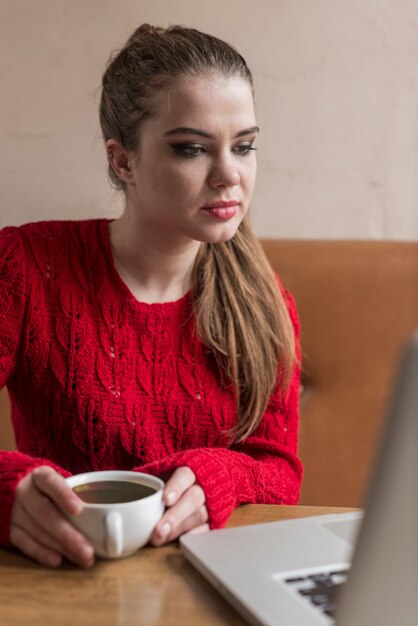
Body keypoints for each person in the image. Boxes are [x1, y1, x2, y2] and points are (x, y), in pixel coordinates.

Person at [0, 24, 303, 569]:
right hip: (60, 582)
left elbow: (279, 470)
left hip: (208, 584)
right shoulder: (25, 266)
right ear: (122, 162)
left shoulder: (265, 301)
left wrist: (222, 476)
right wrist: (5, 492)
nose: (229, 175)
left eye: (245, 146)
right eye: (191, 148)